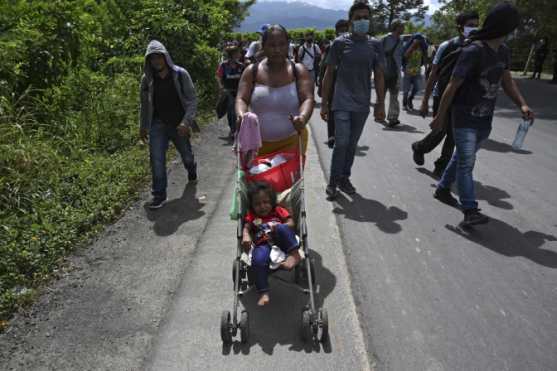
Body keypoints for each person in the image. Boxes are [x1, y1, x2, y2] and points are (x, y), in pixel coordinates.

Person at [430, 1, 534, 226]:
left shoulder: (504, 52)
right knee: (467, 163)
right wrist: (440, 116)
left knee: (460, 158)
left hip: (484, 118)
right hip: (464, 115)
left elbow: (507, 81)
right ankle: (470, 209)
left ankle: (442, 188)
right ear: (504, 26)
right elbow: (452, 85)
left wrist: (522, 105)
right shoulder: (473, 51)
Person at [320, 0, 386, 198]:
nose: (362, 21)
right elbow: (329, 74)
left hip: (362, 104)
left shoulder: (375, 45)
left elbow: (380, 75)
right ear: (350, 21)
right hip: (341, 102)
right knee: (341, 142)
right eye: (358, 18)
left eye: (366, 18)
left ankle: (344, 177)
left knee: (351, 144)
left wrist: (380, 103)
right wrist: (324, 103)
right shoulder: (340, 43)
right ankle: (333, 182)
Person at [412, 11, 480, 176]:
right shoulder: (447, 46)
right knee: (440, 129)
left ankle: (441, 166)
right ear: (459, 27)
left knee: (453, 135)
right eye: (470, 25)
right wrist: (424, 101)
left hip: (463, 99)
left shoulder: (478, 48)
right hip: (441, 95)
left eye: (476, 25)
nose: (474, 29)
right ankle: (419, 147)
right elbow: (433, 74)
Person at [236, 25, 315, 157]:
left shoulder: (298, 70)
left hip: (292, 142)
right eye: (271, 45)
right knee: (258, 177)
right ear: (263, 46)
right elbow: (241, 98)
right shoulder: (251, 71)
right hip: (257, 144)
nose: (277, 49)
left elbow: (307, 98)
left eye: (282, 44)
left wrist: (302, 118)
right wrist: (242, 116)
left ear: (288, 45)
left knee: (287, 178)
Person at [139, 40, 198, 209]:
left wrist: (186, 122)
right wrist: (143, 126)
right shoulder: (147, 79)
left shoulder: (180, 74)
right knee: (157, 160)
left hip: (179, 124)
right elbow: (144, 104)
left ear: (166, 57)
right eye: (152, 58)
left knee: (186, 155)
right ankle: (159, 195)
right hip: (157, 124)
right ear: (149, 61)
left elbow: (192, 100)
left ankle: (191, 168)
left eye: (159, 57)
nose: (156, 61)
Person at [242, 182, 301, 306]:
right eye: (257, 204)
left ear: (272, 202)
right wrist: (246, 235)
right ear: (252, 206)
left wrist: (279, 226)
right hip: (263, 243)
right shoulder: (252, 216)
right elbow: (246, 227)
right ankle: (264, 292)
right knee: (258, 258)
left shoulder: (278, 210)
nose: (262, 206)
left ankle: (294, 255)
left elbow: (291, 223)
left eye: (266, 202)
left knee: (283, 228)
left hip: (281, 241)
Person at [318, 19, 350, 148]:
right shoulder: (331, 47)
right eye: (341, 29)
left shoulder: (352, 46)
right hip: (332, 83)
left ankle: (342, 135)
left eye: (345, 29)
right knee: (331, 109)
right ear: (336, 31)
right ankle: (331, 135)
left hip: (347, 85)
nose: (343, 32)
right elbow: (323, 68)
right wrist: (321, 85)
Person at [216, 45, 245, 139]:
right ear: (233, 54)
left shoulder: (241, 66)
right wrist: (221, 87)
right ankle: (233, 130)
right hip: (228, 91)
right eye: (238, 52)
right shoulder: (223, 65)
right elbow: (219, 76)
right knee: (231, 111)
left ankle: (238, 130)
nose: (240, 54)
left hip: (239, 91)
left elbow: (245, 79)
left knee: (239, 111)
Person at [380, 19, 405, 127]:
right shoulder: (385, 39)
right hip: (384, 72)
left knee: (394, 96)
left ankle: (393, 118)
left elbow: (400, 56)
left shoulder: (401, 40)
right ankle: (379, 114)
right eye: (402, 26)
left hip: (395, 72)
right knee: (381, 95)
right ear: (396, 27)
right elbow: (377, 54)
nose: (403, 28)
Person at [402, 33, 427, 111]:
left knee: (417, 87)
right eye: (417, 39)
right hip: (408, 70)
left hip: (417, 70)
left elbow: (425, 58)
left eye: (420, 39)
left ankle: (410, 98)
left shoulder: (422, 48)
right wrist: (413, 45)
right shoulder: (408, 46)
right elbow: (405, 55)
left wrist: (426, 69)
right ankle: (405, 103)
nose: (418, 41)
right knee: (406, 89)